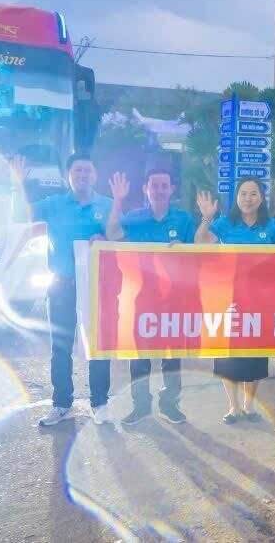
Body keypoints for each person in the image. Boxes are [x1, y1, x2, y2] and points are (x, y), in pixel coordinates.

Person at [17, 153, 115, 427]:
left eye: (87, 170)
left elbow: (120, 235)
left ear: (95, 175)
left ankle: (100, 403)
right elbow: (21, 213)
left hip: (96, 286)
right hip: (60, 284)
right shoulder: (54, 204)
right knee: (60, 347)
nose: (82, 175)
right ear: (68, 176)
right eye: (77, 171)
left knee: (97, 345)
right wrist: (18, 186)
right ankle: (61, 404)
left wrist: (104, 237)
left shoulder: (107, 205)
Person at [107, 168, 196, 425]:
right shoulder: (134, 218)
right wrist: (117, 200)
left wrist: (186, 250)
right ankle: (141, 406)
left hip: (174, 299)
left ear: (171, 189)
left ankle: (170, 405)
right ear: (146, 189)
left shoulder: (183, 220)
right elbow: (113, 234)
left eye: (164, 185)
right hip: (142, 297)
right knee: (140, 353)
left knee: (172, 354)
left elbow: (198, 253)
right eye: (154, 185)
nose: (159, 190)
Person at [194, 179, 275, 424]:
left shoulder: (272, 226)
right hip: (228, 297)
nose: (248, 198)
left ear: (261, 198)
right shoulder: (224, 224)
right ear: (236, 197)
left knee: (255, 352)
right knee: (228, 353)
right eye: (243, 193)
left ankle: (249, 406)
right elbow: (200, 243)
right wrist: (206, 218)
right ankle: (233, 407)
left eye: (254, 193)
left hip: (259, 299)